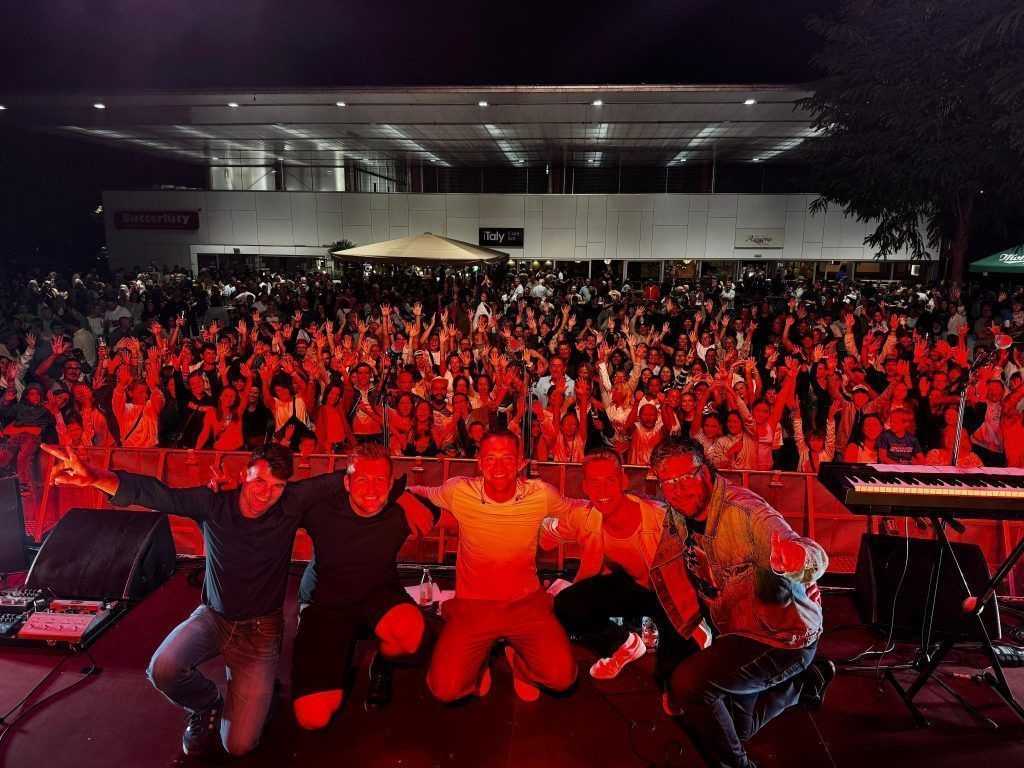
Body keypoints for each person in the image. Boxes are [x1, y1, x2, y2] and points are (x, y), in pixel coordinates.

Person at [44, 443, 376, 758]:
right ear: (245, 473)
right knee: (163, 668)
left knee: (239, 745)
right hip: (213, 617)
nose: (266, 493)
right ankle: (206, 703)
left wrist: (397, 490)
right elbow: (159, 495)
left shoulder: (291, 502)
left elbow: (347, 477)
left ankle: (258, 696)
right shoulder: (213, 502)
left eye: (276, 486)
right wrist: (97, 477)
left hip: (260, 630)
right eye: (260, 480)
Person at [650, 438, 833, 768]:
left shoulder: (746, 511)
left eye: (686, 477)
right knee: (736, 728)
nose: (678, 490)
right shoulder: (677, 515)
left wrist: (798, 561)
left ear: (706, 472)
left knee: (690, 685)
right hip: (738, 630)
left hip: (782, 639)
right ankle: (807, 681)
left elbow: (809, 552)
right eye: (668, 482)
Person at [406, 427, 581, 703]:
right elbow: (417, 492)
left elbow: (576, 508)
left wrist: (627, 502)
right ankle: (477, 668)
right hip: (474, 604)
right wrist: (399, 496)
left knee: (562, 678)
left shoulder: (540, 494)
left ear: (521, 461)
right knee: (446, 689)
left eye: (507, 458)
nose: (498, 467)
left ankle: (521, 665)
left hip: (525, 602)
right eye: (490, 458)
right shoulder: (459, 490)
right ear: (479, 461)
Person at [291, 443, 440, 728]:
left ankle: (383, 659)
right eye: (361, 479)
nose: (371, 489)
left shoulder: (401, 510)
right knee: (313, 719)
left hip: (377, 592)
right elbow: (277, 501)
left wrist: (403, 496)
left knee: (411, 634)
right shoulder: (320, 509)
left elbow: (454, 516)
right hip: (326, 603)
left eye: (379, 480)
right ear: (346, 481)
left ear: (391, 483)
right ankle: (334, 652)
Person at [541, 449, 711, 684]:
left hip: (670, 595)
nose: (602, 490)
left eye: (610, 480)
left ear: (623, 481)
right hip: (629, 588)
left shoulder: (661, 517)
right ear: (585, 487)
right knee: (567, 604)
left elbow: (705, 548)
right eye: (594, 482)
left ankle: (696, 637)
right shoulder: (582, 517)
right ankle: (624, 645)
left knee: (674, 681)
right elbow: (545, 531)